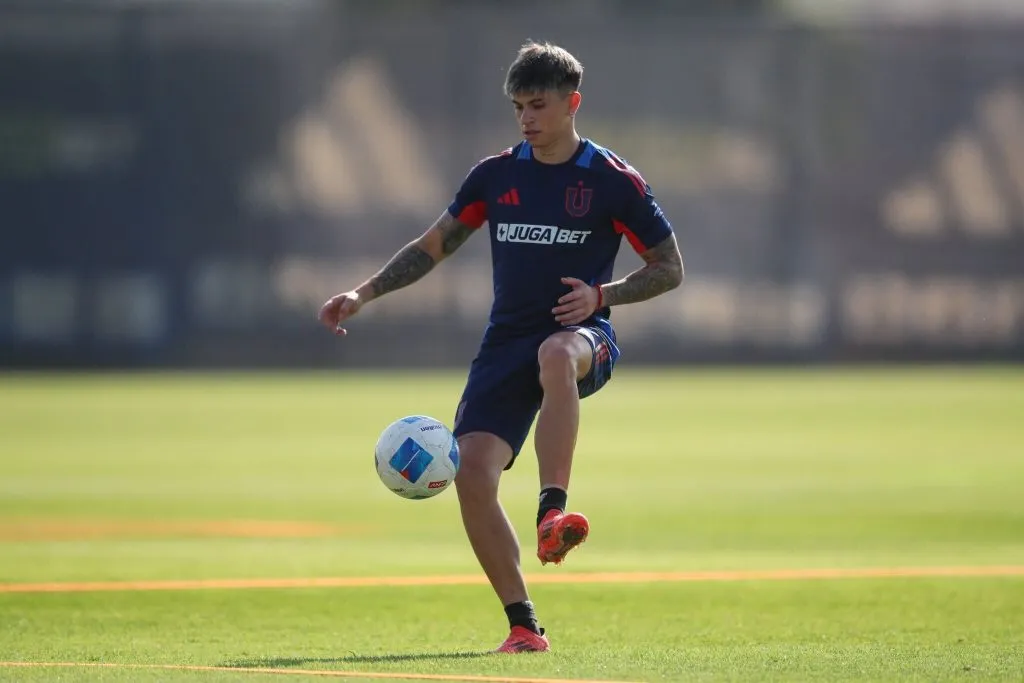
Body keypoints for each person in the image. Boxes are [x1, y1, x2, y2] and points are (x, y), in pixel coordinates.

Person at [318, 41, 684, 654]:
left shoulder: (613, 182)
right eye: (518, 107)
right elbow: (433, 245)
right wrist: (364, 292)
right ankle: (523, 626)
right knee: (471, 473)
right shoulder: (495, 175)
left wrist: (604, 295)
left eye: (537, 105)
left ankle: (552, 511)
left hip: (583, 337)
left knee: (556, 355)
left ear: (573, 103)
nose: (526, 118)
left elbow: (670, 267)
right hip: (504, 343)